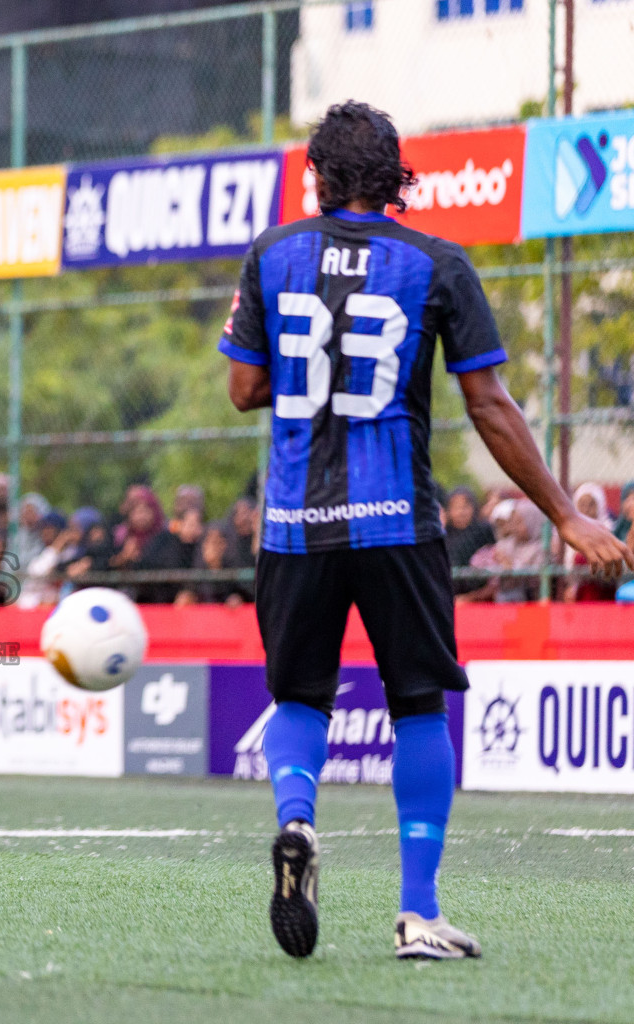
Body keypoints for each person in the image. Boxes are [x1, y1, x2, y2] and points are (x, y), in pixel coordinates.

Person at [219, 101, 632, 961]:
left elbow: (244, 389)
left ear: (316, 179)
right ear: (400, 180)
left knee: (297, 697)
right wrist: (564, 513)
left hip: (293, 525)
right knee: (416, 707)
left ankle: (298, 822)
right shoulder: (438, 264)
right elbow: (490, 404)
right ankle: (418, 916)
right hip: (395, 520)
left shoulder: (271, 255)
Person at [564, 484, 617, 602]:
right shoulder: (570, 533)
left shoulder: (609, 531)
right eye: (582, 505)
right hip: (579, 593)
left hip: (603, 593)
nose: (586, 510)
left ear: (600, 505)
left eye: (591, 504)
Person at [442, 486, 495, 580]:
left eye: (465, 507)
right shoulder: (445, 535)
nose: (461, 512)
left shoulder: (484, 531)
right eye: (456, 507)